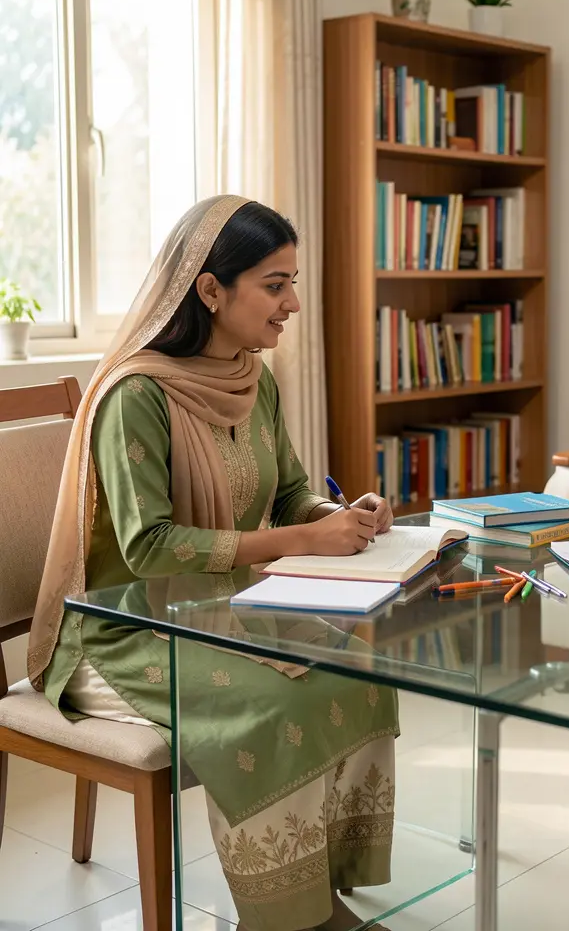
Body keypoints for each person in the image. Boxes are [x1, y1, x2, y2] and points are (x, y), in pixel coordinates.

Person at [28, 195, 399, 931]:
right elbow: (148, 547)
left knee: (363, 670)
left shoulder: (255, 380)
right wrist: (299, 542)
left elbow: (290, 494)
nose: (293, 303)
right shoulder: (136, 395)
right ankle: (290, 916)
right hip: (119, 635)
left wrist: (341, 516)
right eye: (274, 284)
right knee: (274, 710)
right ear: (210, 290)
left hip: (223, 608)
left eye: (293, 282)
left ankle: (322, 883)